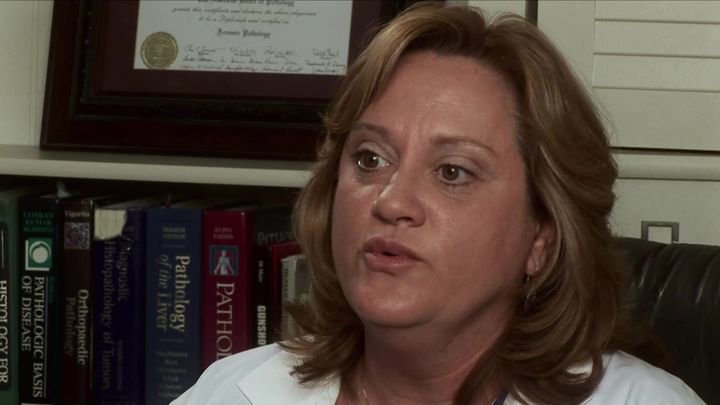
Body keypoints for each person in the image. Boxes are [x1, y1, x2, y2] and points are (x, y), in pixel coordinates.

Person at [173, 3, 704, 404]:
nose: (391, 201)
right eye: (370, 159)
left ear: (542, 236)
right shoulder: (229, 390)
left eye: (453, 172)